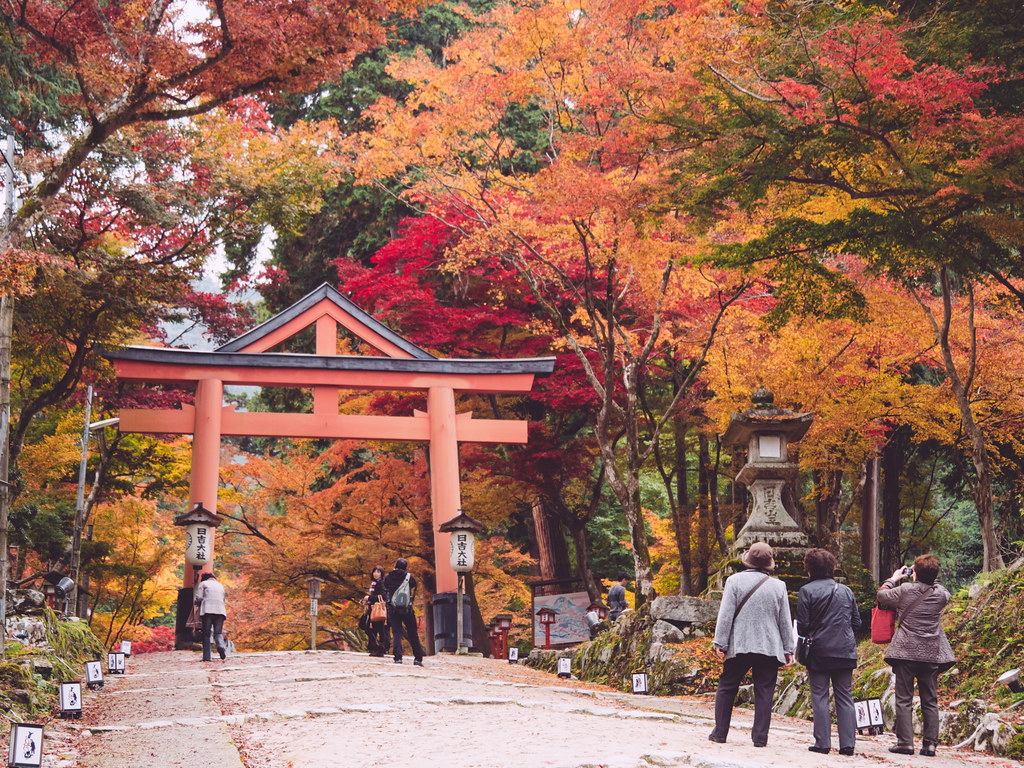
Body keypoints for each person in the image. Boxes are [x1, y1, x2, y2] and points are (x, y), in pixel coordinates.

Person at [709, 541, 794, 747]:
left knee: (727, 686)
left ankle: (720, 732)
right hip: (769, 646)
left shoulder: (734, 581)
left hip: (741, 643)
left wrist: (720, 641)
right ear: (768, 563)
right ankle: (760, 737)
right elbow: (785, 620)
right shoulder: (779, 586)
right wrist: (788, 648)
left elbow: (726, 614)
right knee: (765, 690)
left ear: (748, 561)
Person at [877, 554, 955, 757]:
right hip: (930, 653)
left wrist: (893, 578)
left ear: (915, 573)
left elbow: (882, 595)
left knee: (904, 698)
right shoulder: (940, 595)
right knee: (930, 700)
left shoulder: (904, 590)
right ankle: (930, 745)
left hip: (905, 652)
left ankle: (905, 743)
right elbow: (943, 590)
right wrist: (927, 578)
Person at [797, 548, 861, 756]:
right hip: (845, 650)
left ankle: (823, 743)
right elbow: (857, 623)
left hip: (819, 651)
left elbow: (803, 626)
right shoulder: (846, 591)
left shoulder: (807, 591)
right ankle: (848, 744)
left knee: (820, 696)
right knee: (845, 696)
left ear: (809, 569)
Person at [383, 557, 424, 666]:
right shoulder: (409, 577)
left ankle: (398, 658)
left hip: (393, 608)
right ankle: (418, 659)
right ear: (405, 567)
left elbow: (385, 586)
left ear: (395, 566)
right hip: (407, 609)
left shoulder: (388, 577)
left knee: (396, 632)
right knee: (413, 633)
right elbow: (413, 584)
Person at [194, 572, 227, 662]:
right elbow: (223, 598)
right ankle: (221, 647)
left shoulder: (203, 584)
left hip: (207, 611)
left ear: (204, 578)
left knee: (207, 634)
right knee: (218, 633)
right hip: (220, 611)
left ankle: (207, 657)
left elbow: (199, 597)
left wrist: (195, 603)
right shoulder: (220, 585)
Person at [366, 565, 389, 657]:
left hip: (378, 608)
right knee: (374, 628)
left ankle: (380, 648)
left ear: (382, 574)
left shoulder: (381, 583)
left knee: (378, 629)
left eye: (378, 572)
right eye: (374, 572)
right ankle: (377, 648)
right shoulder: (374, 583)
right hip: (373, 607)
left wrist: (369, 597)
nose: (376, 574)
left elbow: (382, 596)